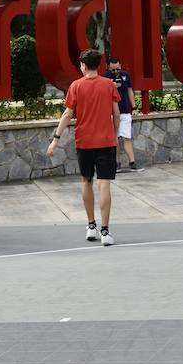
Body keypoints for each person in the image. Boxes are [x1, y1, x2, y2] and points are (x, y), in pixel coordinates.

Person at [47, 49, 120, 246]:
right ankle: (105, 232)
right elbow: (116, 114)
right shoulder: (109, 85)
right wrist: (115, 135)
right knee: (104, 184)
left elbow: (67, 114)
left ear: (83, 65)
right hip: (106, 141)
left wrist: (55, 139)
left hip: (84, 142)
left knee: (86, 181)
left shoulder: (76, 86)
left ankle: (91, 226)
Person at [106, 56, 142, 173]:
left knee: (127, 137)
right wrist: (112, 86)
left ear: (120, 67)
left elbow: (130, 91)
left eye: (117, 69)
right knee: (115, 139)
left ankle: (132, 162)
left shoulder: (125, 76)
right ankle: (117, 163)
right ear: (109, 68)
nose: (116, 72)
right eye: (113, 70)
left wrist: (134, 107)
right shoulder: (105, 77)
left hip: (125, 111)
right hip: (111, 113)